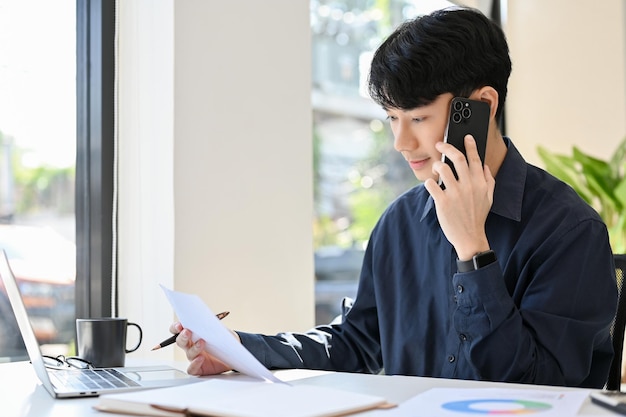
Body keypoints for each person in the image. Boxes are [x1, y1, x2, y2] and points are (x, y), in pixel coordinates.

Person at [171, 7, 617, 388]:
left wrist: (473, 252)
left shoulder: (569, 232)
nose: (401, 142)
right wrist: (240, 349)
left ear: (481, 105)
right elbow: (355, 343)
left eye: (419, 117)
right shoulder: (399, 223)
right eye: (391, 118)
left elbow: (539, 393)